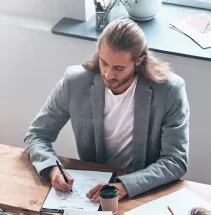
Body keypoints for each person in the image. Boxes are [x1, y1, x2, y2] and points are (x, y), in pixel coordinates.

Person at [25, 18, 189, 200]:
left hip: (141, 192)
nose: (108, 74)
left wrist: (124, 186)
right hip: (90, 190)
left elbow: (175, 161)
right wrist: (52, 169)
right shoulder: (75, 82)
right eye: (104, 63)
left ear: (139, 60)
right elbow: (36, 135)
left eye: (119, 68)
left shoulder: (169, 91)